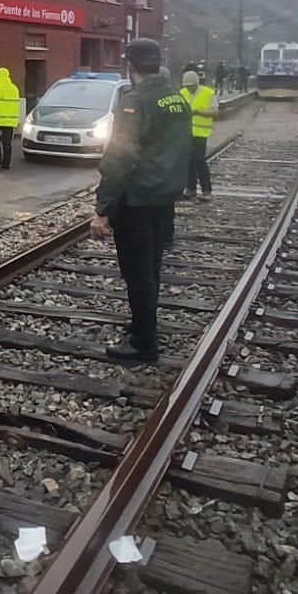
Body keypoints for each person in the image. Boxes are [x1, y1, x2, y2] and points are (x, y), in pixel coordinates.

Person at [91, 38, 192, 363]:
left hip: (136, 200)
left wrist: (102, 209)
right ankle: (142, 323)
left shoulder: (135, 101)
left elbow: (121, 157)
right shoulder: (176, 97)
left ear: (129, 64)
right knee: (152, 267)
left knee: (137, 272)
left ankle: (144, 343)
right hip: (164, 197)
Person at [180, 70, 218, 201]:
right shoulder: (182, 93)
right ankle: (190, 189)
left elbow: (214, 111)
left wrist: (198, 112)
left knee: (199, 161)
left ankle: (206, 190)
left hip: (201, 133)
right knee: (188, 161)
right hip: (185, 133)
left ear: (196, 83)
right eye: (187, 86)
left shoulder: (208, 93)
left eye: (190, 86)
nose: (188, 88)